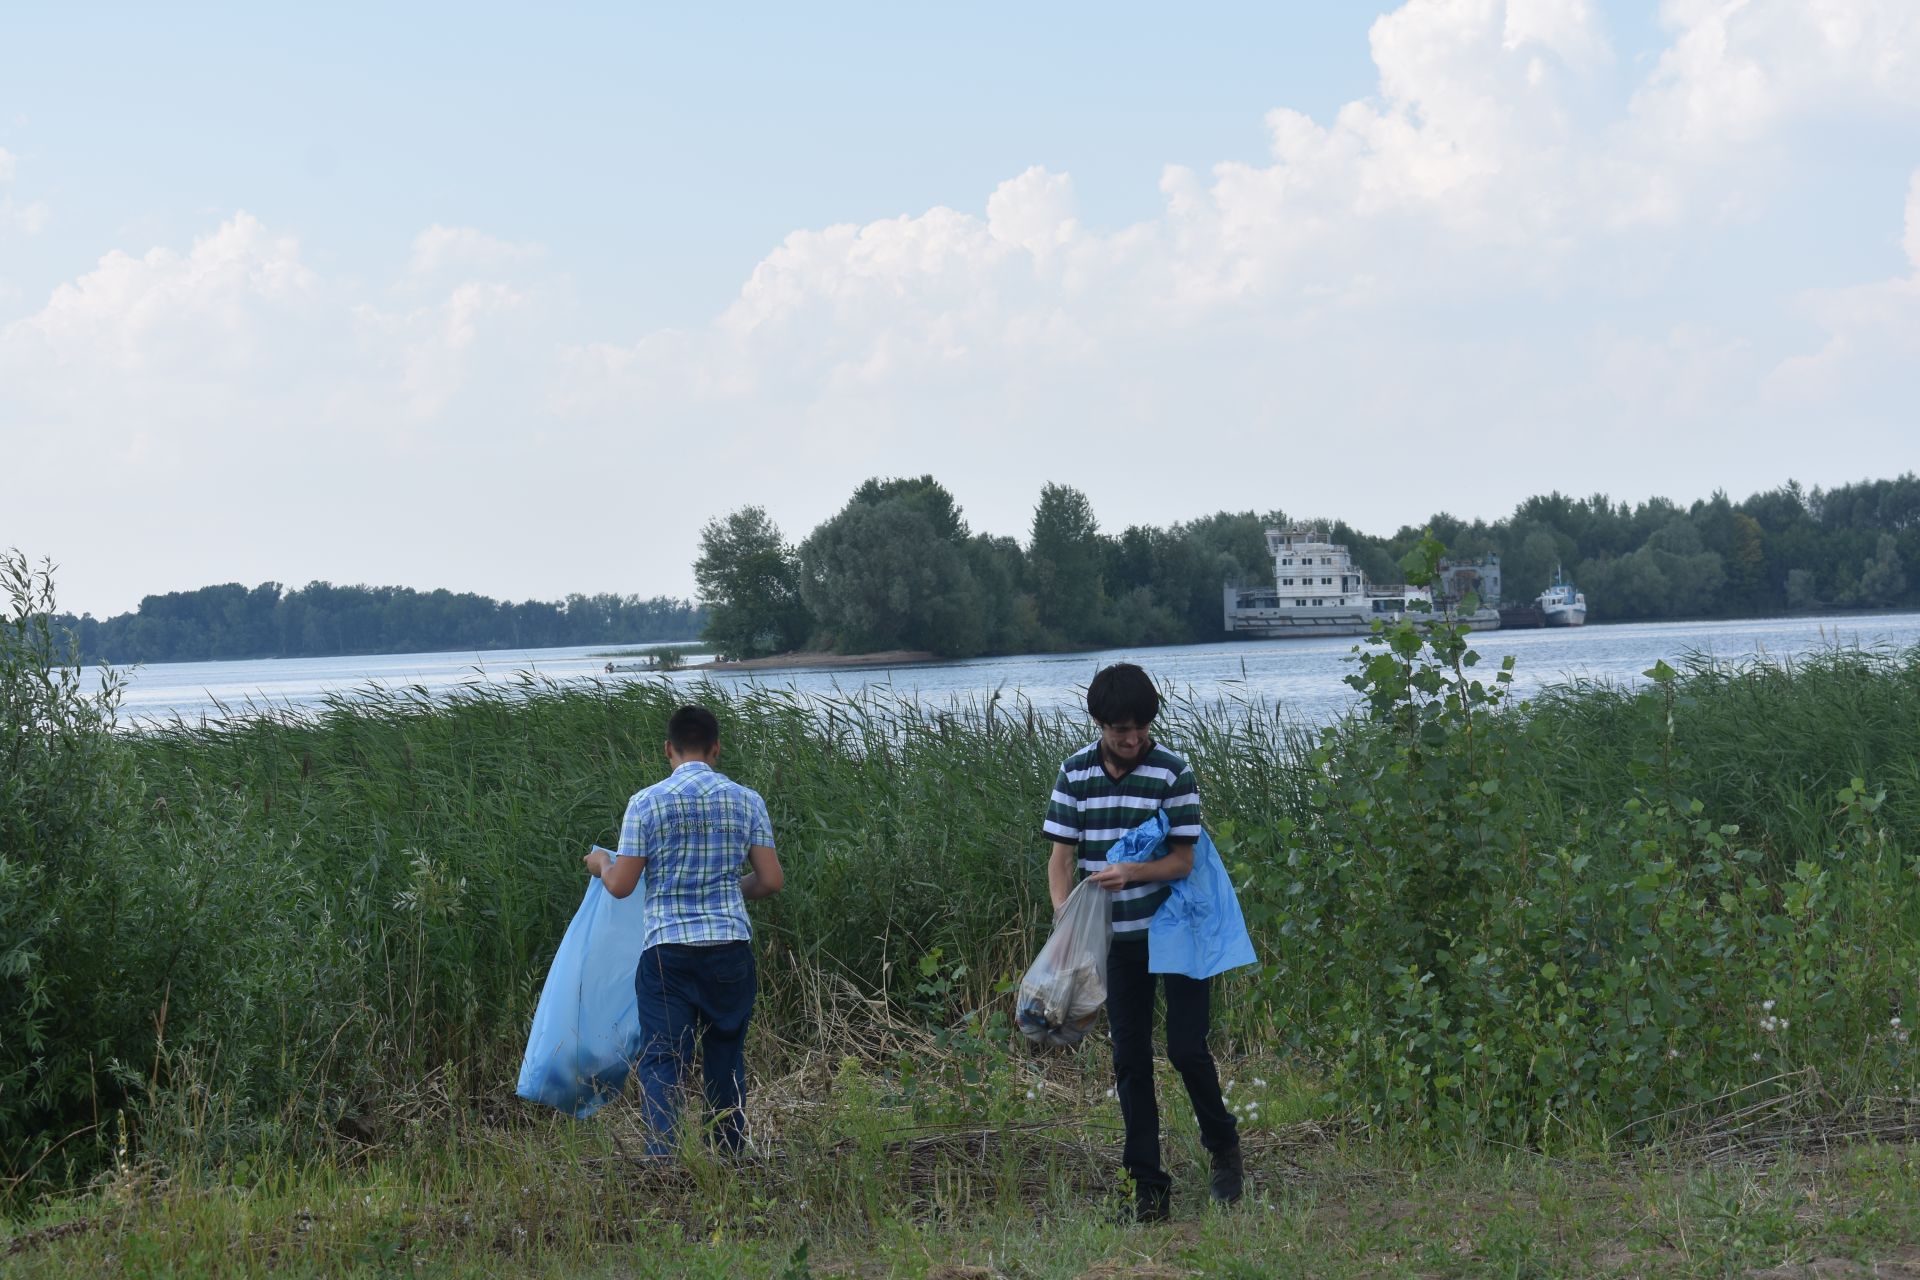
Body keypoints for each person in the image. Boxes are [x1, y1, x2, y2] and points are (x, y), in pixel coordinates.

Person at [1043, 663, 1242, 1221]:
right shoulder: (1075, 773)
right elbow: (1060, 858)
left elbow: (1182, 859)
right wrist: (1066, 920)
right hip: (1118, 940)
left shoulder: (1172, 771)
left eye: (1140, 729)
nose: (1132, 739)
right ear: (1099, 723)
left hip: (1178, 930)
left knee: (1185, 1049)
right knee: (1130, 1062)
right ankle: (1149, 1191)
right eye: (1120, 730)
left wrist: (1131, 871)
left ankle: (1224, 1148)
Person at [584, 704, 784, 1156]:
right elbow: (771, 881)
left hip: (667, 954)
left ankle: (664, 1159)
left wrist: (601, 863)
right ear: (716, 749)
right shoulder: (747, 800)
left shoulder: (646, 802)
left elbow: (621, 886)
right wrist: (728, 891)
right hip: (730, 948)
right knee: (725, 1055)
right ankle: (729, 1153)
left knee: (663, 1058)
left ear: (667, 750)